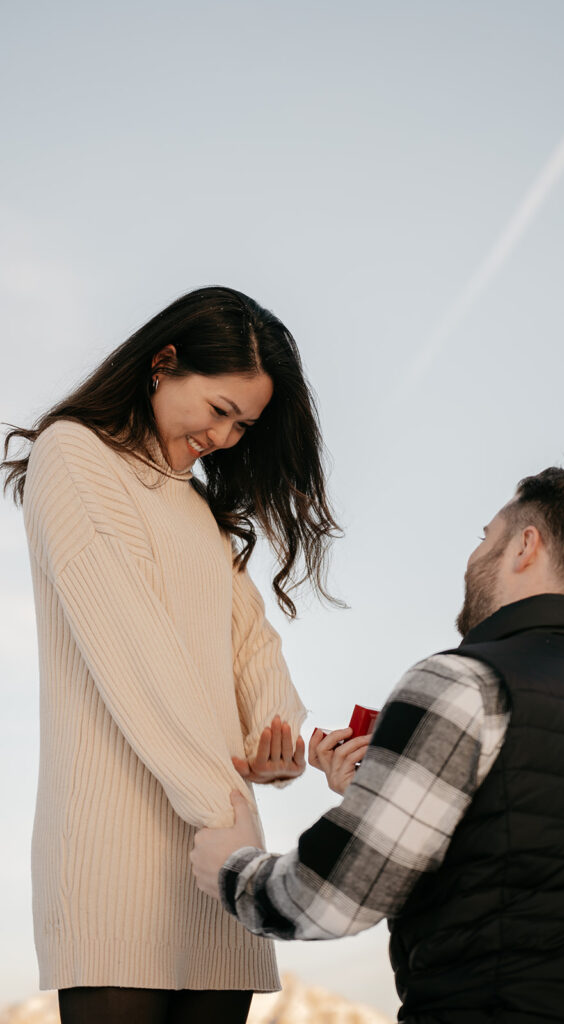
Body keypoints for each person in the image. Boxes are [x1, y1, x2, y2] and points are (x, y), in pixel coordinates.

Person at [191, 466, 564, 1023]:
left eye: (485, 536)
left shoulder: (463, 683)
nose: (474, 557)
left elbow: (328, 900)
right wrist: (383, 795)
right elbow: (554, 899)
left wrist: (230, 869)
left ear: (525, 546)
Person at [2, 286, 342, 1024]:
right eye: (220, 410)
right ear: (163, 363)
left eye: (243, 426)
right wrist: (224, 812)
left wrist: (273, 742)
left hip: (218, 859)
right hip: (117, 847)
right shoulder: (75, 455)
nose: (225, 439)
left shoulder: (199, 513)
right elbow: (132, 648)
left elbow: (250, 646)